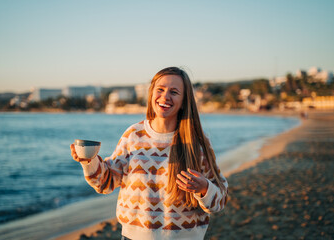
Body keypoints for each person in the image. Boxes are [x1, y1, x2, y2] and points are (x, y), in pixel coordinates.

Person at [70, 67, 228, 240]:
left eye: (174, 92)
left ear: (184, 101)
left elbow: (220, 200)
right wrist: (89, 161)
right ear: (152, 93)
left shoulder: (196, 142)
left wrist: (204, 188)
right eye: (160, 89)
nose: (165, 96)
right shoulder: (133, 135)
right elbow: (105, 183)